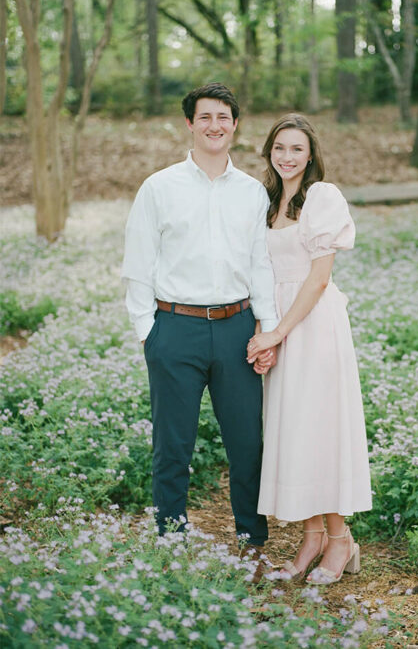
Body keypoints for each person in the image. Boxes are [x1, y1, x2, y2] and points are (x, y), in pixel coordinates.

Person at [122, 82, 278, 559]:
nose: (215, 126)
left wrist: (267, 329)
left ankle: (251, 539)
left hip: (237, 329)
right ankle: (172, 537)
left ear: (235, 125)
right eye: (205, 117)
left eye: (223, 118)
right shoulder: (159, 187)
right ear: (190, 124)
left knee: (247, 443)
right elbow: (138, 263)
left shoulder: (252, 192)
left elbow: (260, 264)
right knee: (173, 446)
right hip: (175, 329)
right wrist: (150, 334)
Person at [244, 113, 372, 585]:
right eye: (279, 148)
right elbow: (263, 275)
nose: (287, 157)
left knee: (320, 428)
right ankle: (311, 536)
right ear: (269, 152)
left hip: (314, 326)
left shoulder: (322, 196)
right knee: (292, 430)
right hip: (278, 324)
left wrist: (279, 332)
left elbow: (319, 279)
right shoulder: (267, 202)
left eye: (296, 149)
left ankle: (341, 542)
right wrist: (264, 333)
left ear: (311, 154)